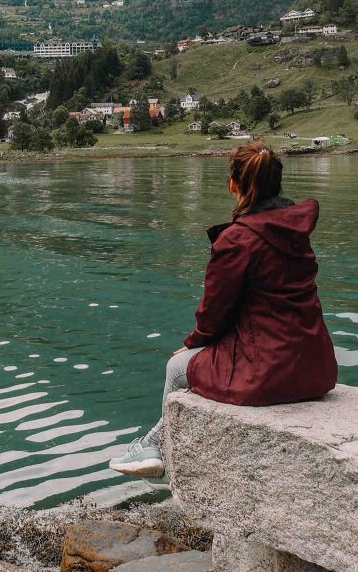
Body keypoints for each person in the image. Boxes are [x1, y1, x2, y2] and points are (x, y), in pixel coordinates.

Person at [110, 139, 337, 477]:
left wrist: (193, 343)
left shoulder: (237, 240)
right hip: (315, 367)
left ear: (234, 185)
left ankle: (162, 457)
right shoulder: (296, 232)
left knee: (177, 368)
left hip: (269, 374)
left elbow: (213, 314)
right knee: (195, 361)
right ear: (277, 183)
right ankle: (152, 445)